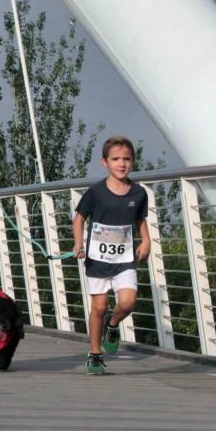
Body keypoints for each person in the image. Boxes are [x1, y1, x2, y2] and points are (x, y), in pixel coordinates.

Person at [72, 136, 151, 376]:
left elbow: (140, 220)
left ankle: (113, 324)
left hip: (124, 259)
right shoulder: (96, 192)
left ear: (133, 162)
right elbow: (79, 217)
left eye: (127, 159)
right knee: (99, 306)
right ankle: (95, 354)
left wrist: (146, 241)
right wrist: (78, 242)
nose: (121, 164)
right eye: (116, 159)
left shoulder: (138, 193)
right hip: (97, 259)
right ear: (104, 162)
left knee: (127, 302)